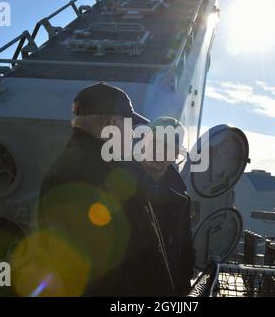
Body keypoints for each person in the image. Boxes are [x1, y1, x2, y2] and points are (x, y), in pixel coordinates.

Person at [31, 82, 174, 297]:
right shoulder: (82, 173)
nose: (132, 134)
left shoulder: (93, 166)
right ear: (111, 124)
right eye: (129, 126)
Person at [134, 117, 196, 296]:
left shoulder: (182, 200)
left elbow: (186, 253)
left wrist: (181, 291)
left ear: (176, 154)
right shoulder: (117, 185)